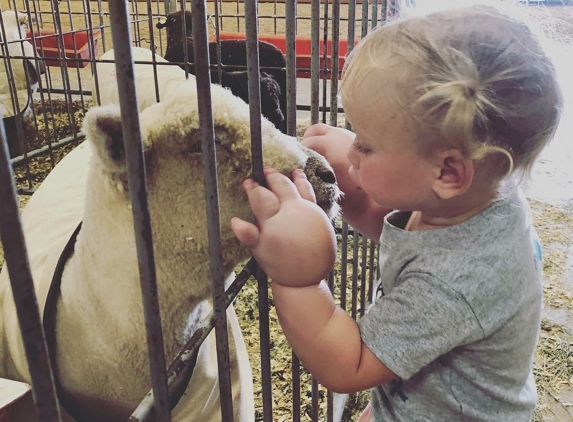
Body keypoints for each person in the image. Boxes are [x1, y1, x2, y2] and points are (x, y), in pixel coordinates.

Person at [231, 1, 563, 420]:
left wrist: (297, 275)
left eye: (365, 144)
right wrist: (356, 187)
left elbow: (348, 364)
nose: (350, 148)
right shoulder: (477, 197)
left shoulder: (456, 281)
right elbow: (405, 236)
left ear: (447, 172)